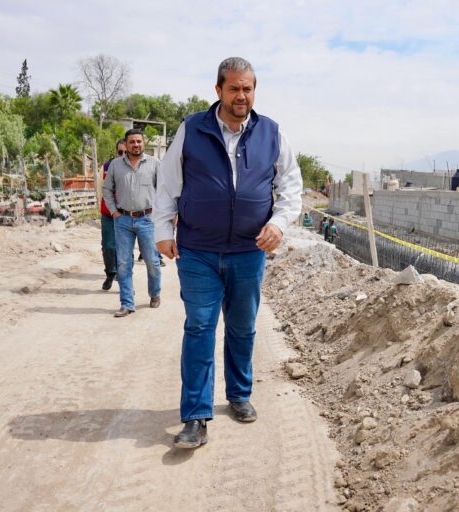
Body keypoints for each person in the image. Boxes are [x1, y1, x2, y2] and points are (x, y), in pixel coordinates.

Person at [154, 57, 303, 449]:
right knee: (200, 326)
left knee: (242, 327)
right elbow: (168, 182)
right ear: (218, 90)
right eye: (234, 88)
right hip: (198, 248)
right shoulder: (192, 129)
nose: (242, 96)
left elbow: (291, 187)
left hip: (248, 250)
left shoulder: (272, 133)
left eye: (248, 88)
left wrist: (279, 223)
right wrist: (161, 229)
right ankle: (195, 416)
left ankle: (238, 394)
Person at [102, 129, 161, 317]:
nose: (136, 145)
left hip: (147, 219)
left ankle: (155, 293)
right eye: (132, 142)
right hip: (123, 220)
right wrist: (114, 212)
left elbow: (164, 190)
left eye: (139, 141)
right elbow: (106, 190)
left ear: (143, 143)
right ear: (126, 145)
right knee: (124, 263)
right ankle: (127, 303)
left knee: (152, 261)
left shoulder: (154, 164)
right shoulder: (115, 165)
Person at [100, 140, 126, 291]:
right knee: (108, 246)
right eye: (120, 152)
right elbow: (100, 188)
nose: (122, 155)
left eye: (125, 152)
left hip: (126, 214)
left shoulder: (134, 167)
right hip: (108, 213)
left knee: (125, 249)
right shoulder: (106, 167)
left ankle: (125, 281)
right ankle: (110, 273)